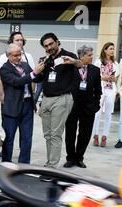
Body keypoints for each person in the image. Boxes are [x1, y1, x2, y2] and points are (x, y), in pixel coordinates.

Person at [35, 33, 82, 168]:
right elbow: (37, 80)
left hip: (62, 98)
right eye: (46, 46)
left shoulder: (68, 55)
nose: (49, 47)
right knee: (48, 135)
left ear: (57, 42)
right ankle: (50, 162)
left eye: (51, 44)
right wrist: (39, 70)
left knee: (55, 134)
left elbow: (80, 65)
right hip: (46, 99)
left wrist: (73, 61)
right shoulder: (44, 60)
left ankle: (52, 166)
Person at [0, 43, 44, 164]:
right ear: (8, 55)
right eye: (15, 55)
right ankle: (6, 164)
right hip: (12, 108)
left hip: (27, 105)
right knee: (8, 138)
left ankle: (24, 164)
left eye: (20, 54)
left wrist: (41, 70)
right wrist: (34, 73)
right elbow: (17, 82)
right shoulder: (5, 69)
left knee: (27, 138)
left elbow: (35, 78)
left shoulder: (25, 65)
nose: (19, 57)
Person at [64, 45, 102, 168]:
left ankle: (79, 158)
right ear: (81, 56)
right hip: (72, 106)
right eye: (89, 55)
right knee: (70, 132)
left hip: (88, 107)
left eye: (92, 55)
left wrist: (96, 105)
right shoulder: (71, 68)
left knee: (85, 134)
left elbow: (98, 90)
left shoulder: (95, 70)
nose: (92, 57)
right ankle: (70, 158)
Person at [0, 32, 35, 112]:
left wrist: (32, 92)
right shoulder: (4, 57)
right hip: (12, 96)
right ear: (11, 41)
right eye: (17, 40)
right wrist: (1, 93)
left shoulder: (28, 56)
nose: (20, 42)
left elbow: (33, 75)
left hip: (27, 96)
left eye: (21, 40)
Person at [92, 42, 119, 147]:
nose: (112, 50)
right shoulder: (98, 62)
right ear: (105, 50)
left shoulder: (116, 64)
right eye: (110, 48)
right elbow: (94, 76)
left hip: (111, 90)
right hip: (100, 89)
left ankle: (104, 136)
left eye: (113, 48)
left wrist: (113, 78)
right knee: (97, 114)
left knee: (108, 114)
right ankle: (95, 135)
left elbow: (117, 78)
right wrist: (104, 77)